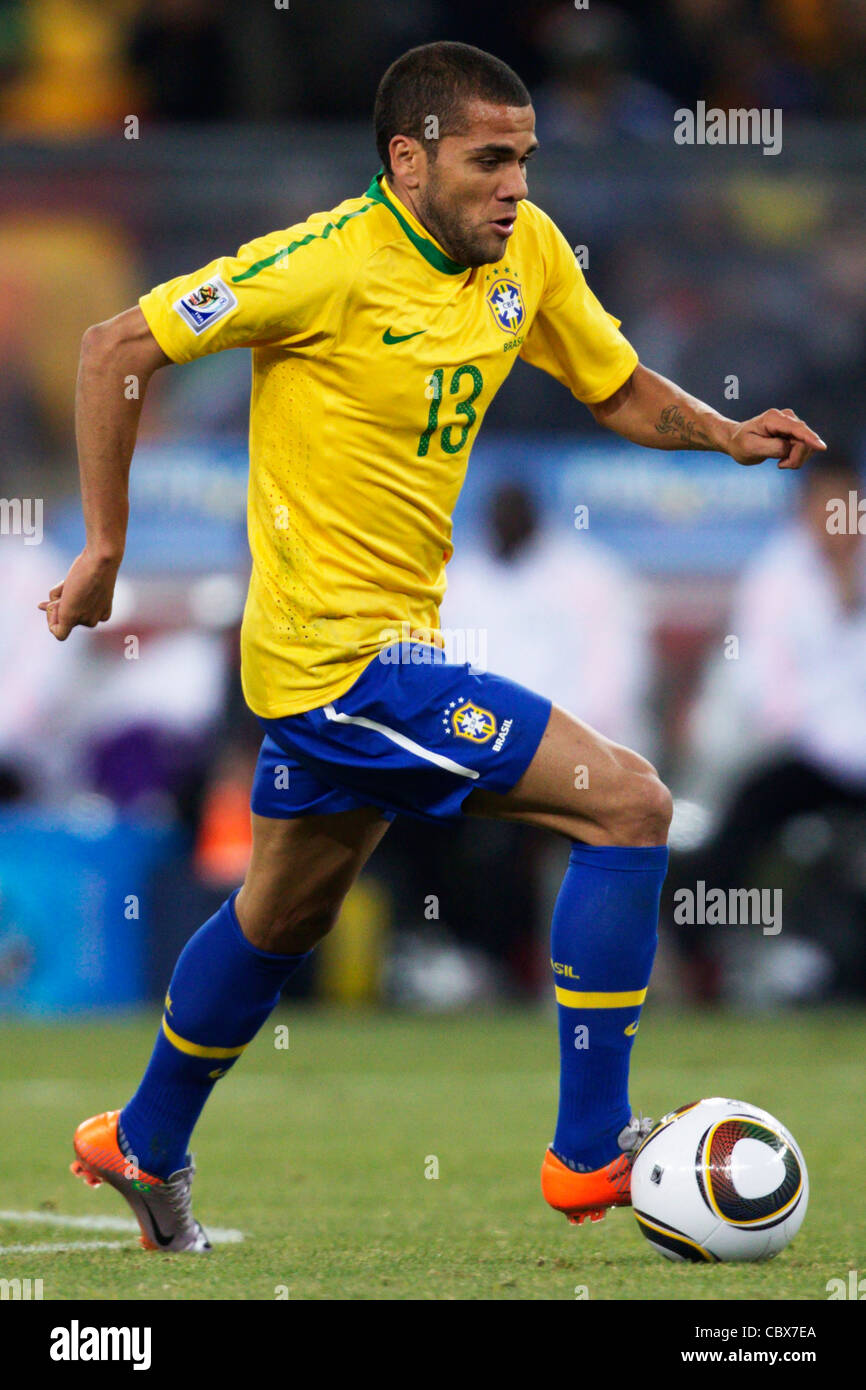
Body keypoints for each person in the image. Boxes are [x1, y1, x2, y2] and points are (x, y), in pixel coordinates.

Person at [42, 41, 824, 1252]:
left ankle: (139, 1143)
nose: (515, 185)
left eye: (523, 158)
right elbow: (112, 349)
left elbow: (610, 387)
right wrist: (103, 548)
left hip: (377, 657)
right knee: (626, 804)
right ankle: (585, 1154)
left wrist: (721, 433)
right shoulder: (319, 265)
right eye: (488, 160)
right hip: (342, 667)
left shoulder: (528, 254)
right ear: (408, 161)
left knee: (277, 918)